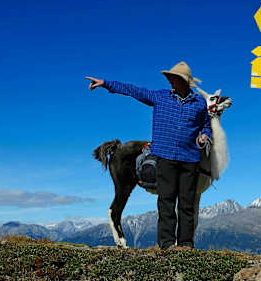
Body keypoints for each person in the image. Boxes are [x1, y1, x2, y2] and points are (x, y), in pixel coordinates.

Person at [86, 62, 211, 250]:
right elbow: (133, 90)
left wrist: (204, 136)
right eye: (170, 79)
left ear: (185, 81)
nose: (171, 82)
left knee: (186, 205)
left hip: (190, 159)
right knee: (166, 202)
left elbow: (206, 125)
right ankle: (167, 244)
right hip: (165, 157)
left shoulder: (199, 104)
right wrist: (105, 83)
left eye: (175, 79)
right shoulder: (160, 97)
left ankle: (186, 245)